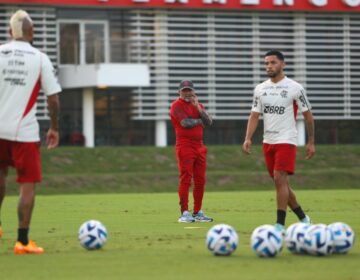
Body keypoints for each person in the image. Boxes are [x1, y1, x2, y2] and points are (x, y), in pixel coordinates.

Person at [0, 10, 61, 254]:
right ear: (31, 32)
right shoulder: (39, 58)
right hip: (23, 131)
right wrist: (54, 128)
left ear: (9, 33)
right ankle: (23, 242)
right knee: (27, 185)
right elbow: (53, 99)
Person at [242, 50, 315, 232]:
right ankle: (303, 218)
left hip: (287, 140)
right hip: (268, 141)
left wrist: (311, 141)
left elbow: (308, 116)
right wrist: (248, 138)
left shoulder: (295, 88)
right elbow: (254, 115)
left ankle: (280, 225)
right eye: (266, 63)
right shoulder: (260, 89)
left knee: (279, 178)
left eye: (273, 62)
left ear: (283, 64)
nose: (269, 66)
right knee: (280, 183)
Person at [170, 80, 214, 223]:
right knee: (186, 178)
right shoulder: (176, 105)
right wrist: (199, 120)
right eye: (184, 90)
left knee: (200, 180)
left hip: (199, 146)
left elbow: (209, 122)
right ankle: (184, 213)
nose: (187, 93)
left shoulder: (198, 106)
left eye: (189, 90)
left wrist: (199, 110)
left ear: (194, 92)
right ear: (179, 92)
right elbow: (185, 123)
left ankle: (197, 212)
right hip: (185, 145)